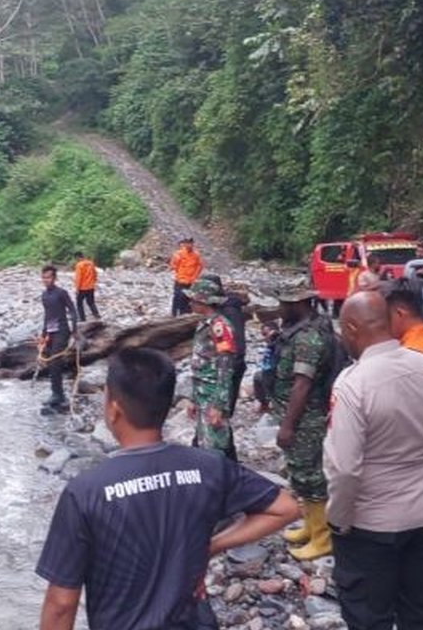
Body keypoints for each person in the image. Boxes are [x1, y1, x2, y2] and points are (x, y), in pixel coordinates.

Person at [36, 348, 301, 630]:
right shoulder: (208, 467)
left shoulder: (86, 492)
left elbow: (61, 605)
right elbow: (285, 508)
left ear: (114, 409)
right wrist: (211, 546)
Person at [324, 292, 423, 629]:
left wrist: (339, 520)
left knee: (369, 617)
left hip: (371, 525)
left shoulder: (354, 384)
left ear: (352, 327)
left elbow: (345, 468)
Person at [270, 281, 337, 560]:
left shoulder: (309, 338)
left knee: (310, 475)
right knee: (299, 472)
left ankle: (322, 538)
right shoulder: (299, 330)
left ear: (297, 304)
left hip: (305, 418)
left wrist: (288, 425)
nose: (280, 308)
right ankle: (310, 526)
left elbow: (302, 385)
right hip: (300, 415)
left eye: (284, 303)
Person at [185, 277, 239, 461]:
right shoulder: (204, 324)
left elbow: (226, 367)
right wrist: (193, 399)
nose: (190, 302)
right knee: (204, 440)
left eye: (194, 299)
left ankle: (222, 480)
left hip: (213, 392)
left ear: (204, 301)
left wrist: (218, 404)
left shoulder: (220, 327)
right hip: (202, 392)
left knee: (215, 444)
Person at [202, 273, 249, 417]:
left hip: (230, 366)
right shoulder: (219, 310)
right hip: (223, 366)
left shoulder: (229, 312)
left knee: (222, 417)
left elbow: (236, 343)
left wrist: (231, 366)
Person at [39, 264, 79, 415]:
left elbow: (73, 310)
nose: (46, 280)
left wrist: (74, 329)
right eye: (43, 277)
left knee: (56, 362)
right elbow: (47, 316)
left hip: (62, 331)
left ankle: (58, 395)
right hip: (51, 332)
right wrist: (43, 334)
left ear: (54, 278)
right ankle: (57, 393)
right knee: (50, 363)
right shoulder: (44, 295)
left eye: (48, 277)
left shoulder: (61, 293)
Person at [170, 237, 205, 316]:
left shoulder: (196, 255)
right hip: (180, 280)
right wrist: (178, 275)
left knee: (188, 298)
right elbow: (173, 266)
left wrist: (194, 277)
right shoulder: (178, 254)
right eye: (187, 243)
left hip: (190, 281)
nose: (189, 245)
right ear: (184, 244)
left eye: (190, 243)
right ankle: (174, 314)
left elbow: (199, 266)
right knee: (177, 297)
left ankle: (185, 314)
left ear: (193, 244)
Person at [73, 251, 100, 320]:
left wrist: (77, 289)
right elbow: (95, 274)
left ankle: (82, 318)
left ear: (77, 257)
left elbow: (78, 278)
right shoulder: (91, 263)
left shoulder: (79, 265)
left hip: (82, 288)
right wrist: (94, 282)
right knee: (91, 302)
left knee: (79, 303)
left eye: (76, 259)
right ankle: (96, 315)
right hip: (91, 287)